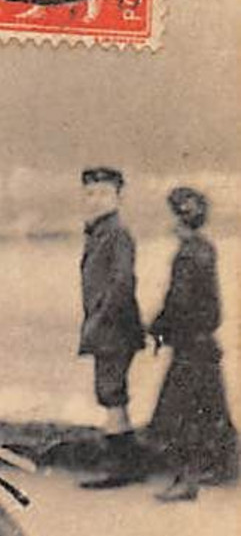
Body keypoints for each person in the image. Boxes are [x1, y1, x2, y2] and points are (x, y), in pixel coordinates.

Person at [145, 187, 238, 501]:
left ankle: (187, 481)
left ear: (179, 220)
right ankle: (224, 469)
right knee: (213, 410)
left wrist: (157, 328)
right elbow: (212, 307)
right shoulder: (206, 248)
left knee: (179, 415)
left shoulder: (186, 255)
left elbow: (179, 303)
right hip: (206, 344)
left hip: (189, 347)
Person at [77, 166, 147, 489]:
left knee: (111, 394)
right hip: (107, 326)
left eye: (103, 193)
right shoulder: (100, 230)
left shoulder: (117, 232)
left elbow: (122, 282)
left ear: (118, 197)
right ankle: (127, 464)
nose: (95, 200)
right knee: (111, 393)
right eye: (90, 193)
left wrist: (100, 319)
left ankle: (121, 468)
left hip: (113, 328)